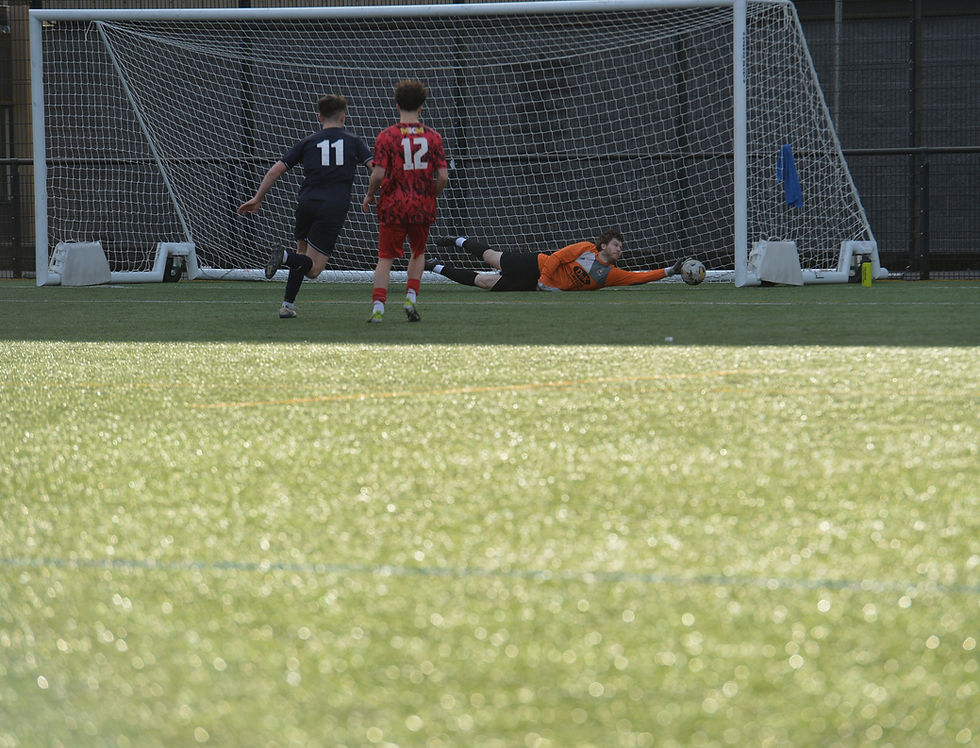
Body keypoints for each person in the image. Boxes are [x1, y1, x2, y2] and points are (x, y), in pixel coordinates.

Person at [238, 94, 373, 318]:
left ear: (319, 117)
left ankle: (286, 306)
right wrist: (374, 191)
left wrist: (257, 198)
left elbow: (275, 171)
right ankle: (284, 258)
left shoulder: (308, 141)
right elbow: (375, 168)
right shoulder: (354, 141)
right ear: (343, 117)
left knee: (301, 253)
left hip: (306, 203)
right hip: (333, 207)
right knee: (313, 269)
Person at [362, 80, 449, 323]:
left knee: (385, 258)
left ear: (397, 105)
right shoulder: (433, 137)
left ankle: (378, 308)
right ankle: (410, 298)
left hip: (393, 205)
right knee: (418, 252)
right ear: (421, 106)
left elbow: (378, 174)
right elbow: (443, 177)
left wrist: (370, 194)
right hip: (421, 205)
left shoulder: (387, 136)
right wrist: (431, 194)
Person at [425, 230, 689, 291]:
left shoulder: (609, 274)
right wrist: (545, 280)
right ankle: (459, 240)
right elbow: (558, 257)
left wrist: (670, 271)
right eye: (616, 245)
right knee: (491, 258)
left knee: (484, 283)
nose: (620, 249)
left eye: (621, 247)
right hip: (536, 265)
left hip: (536, 284)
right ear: (603, 245)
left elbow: (639, 278)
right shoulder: (586, 249)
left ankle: (434, 265)